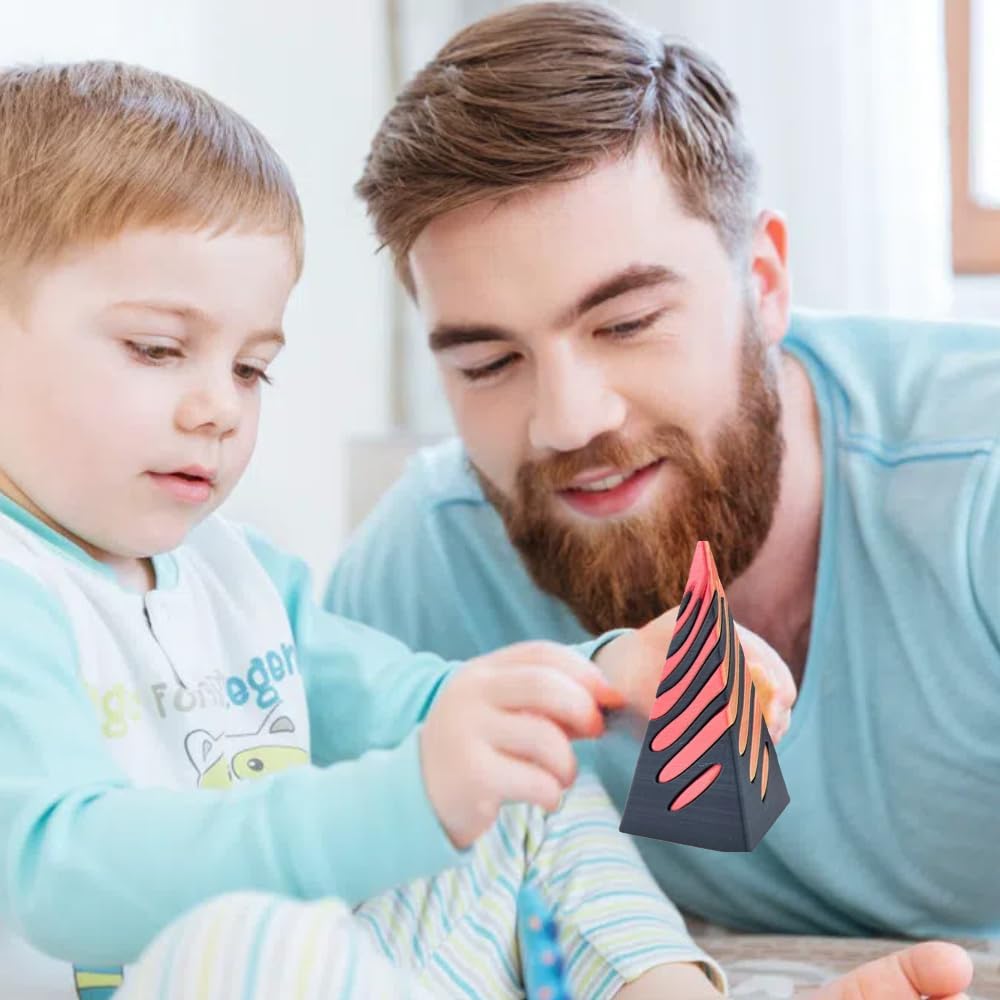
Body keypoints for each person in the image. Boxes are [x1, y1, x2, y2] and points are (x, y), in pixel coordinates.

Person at [0, 58, 804, 1000]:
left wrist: (599, 675)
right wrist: (407, 799)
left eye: (251, 369)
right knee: (253, 940)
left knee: (524, 762)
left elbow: (417, 701)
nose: (218, 408)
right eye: (158, 349)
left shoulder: (235, 573)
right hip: (206, 971)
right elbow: (58, 880)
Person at [329, 0, 1000, 952]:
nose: (568, 421)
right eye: (488, 363)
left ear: (764, 284)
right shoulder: (420, 571)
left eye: (627, 323)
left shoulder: (977, 482)